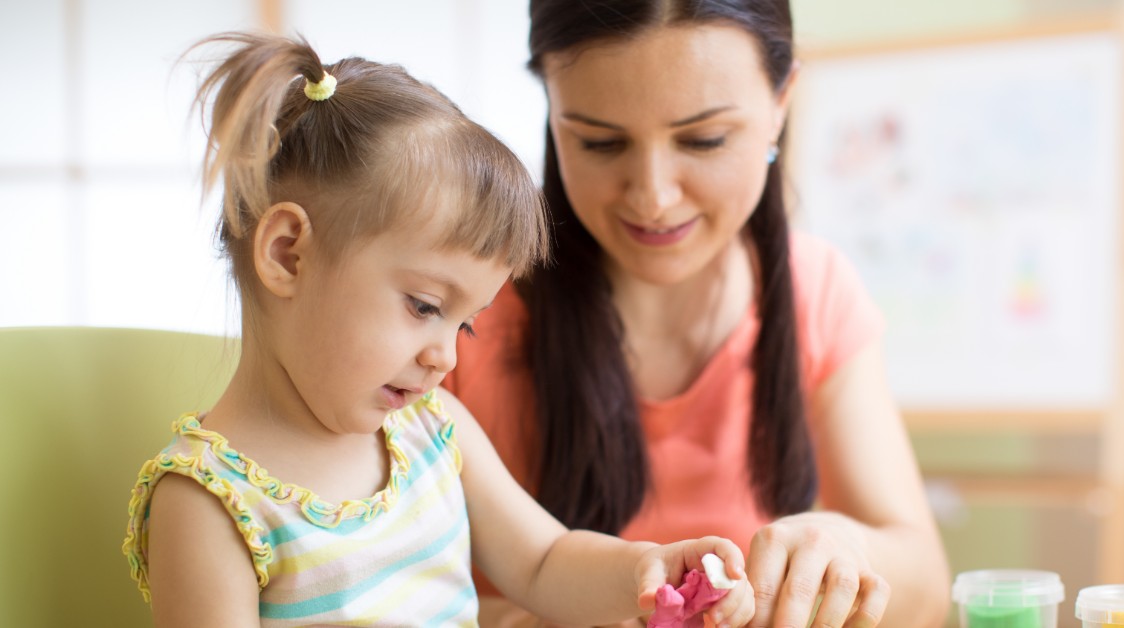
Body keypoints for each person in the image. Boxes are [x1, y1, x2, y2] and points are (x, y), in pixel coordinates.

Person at [120, 32, 757, 628]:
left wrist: (645, 569)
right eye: (425, 306)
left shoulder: (431, 430)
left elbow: (544, 562)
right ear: (288, 255)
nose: (445, 357)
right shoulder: (211, 504)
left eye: (466, 326)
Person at [441, 1, 951, 626]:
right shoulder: (452, 312)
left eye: (703, 139)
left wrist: (847, 548)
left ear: (781, 102)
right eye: (600, 142)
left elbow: (926, 589)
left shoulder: (815, 293)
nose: (653, 196)